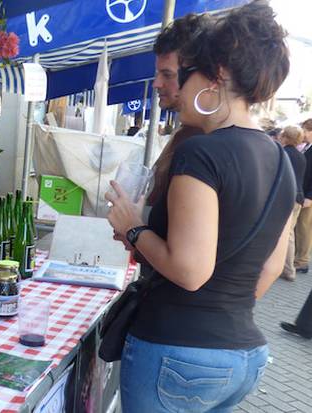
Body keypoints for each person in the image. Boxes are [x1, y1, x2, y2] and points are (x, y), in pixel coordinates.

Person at [106, 2, 295, 412]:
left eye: (183, 77)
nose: (176, 90)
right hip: (242, 354)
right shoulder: (282, 160)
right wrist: (220, 316)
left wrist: (134, 228)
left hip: (175, 349)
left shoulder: (203, 154)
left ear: (216, 76)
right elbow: (271, 267)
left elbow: (191, 271)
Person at [146, 13, 211, 206]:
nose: (156, 83)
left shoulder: (202, 146)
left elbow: (183, 237)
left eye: (167, 75)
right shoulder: (187, 132)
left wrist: (132, 227)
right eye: (158, 73)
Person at [279, 126, 306, 281]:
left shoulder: (283, 154)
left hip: (287, 198)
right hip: (298, 198)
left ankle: (288, 270)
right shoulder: (300, 155)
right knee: (289, 234)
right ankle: (288, 269)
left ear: (285, 137)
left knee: (285, 234)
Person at [293, 119, 312, 273]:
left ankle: (302, 261)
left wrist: (310, 197)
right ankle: (297, 258)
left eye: (305, 130)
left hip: (307, 195)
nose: (303, 133)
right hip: (302, 193)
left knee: (304, 228)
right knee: (299, 227)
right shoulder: (307, 147)